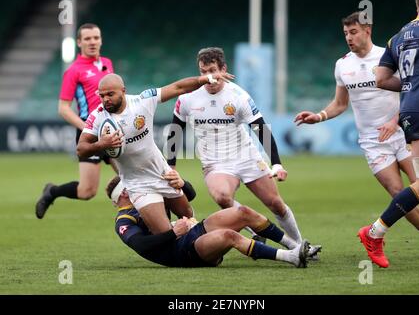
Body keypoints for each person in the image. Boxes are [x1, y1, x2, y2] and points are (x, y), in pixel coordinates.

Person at [294, 11, 419, 262]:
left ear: (367, 30)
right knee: (396, 191)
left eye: (354, 32)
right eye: (346, 33)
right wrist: (320, 116)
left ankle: (379, 233)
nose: (349, 37)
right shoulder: (342, 65)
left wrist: (395, 121)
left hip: (403, 132)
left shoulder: (388, 55)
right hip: (372, 141)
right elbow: (340, 103)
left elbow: (412, 90)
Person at [167, 47, 321, 259]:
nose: (208, 77)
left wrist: (276, 163)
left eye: (212, 70)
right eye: (203, 72)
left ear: (224, 69)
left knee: (275, 203)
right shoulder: (188, 97)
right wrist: (171, 165)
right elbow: (176, 130)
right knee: (222, 196)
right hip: (215, 162)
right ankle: (264, 234)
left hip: (246, 156)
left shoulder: (238, 96)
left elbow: (261, 130)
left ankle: (300, 244)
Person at [77, 72, 234, 237]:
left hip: (162, 173)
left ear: (123, 91)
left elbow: (178, 87)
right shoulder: (97, 116)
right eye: (101, 95)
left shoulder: (142, 101)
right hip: (138, 184)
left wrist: (204, 79)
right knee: (166, 234)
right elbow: (81, 149)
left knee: (188, 217)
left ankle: (202, 246)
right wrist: (102, 144)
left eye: (110, 94)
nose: (105, 99)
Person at [357, 0, 419, 268]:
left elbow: (381, 78)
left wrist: (413, 86)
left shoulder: (398, 37)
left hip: (413, 109)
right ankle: (374, 232)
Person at [106, 174, 310, 268]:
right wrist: (174, 233)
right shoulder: (124, 219)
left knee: (242, 212)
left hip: (190, 233)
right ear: (124, 192)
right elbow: (140, 245)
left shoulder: (147, 198)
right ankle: (290, 257)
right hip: (180, 254)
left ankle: (296, 246)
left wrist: (181, 182)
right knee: (229, 236)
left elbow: (190, 195)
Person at [36, 23, 115, 219]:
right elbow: (63, 108)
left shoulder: (107, 63)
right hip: (89, 133)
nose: (92, 42)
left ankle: (143, 222)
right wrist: (88, 128)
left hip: (113, 129)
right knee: (87, 191)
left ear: (101, 40)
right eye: (87, 39)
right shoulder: (74, 71)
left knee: (133, 177)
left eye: (96, 38)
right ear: (79, 42)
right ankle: (52, 192)